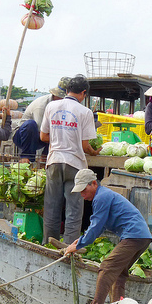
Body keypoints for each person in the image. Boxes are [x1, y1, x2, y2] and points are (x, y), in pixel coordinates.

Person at [65, 169, 152, 304]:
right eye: (80, 192)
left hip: (134, 235)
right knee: (118, 274)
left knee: (106, 268)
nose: (82, 195)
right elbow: (97, 228)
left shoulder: (101, 197)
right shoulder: (102, 196)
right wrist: (80, 241)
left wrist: (78, 245)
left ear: (94, 183)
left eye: (84, 190)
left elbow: (96, 225)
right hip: (142, 236)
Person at [40, 75, 101, 244]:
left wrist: (59, 138)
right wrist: (94, 152)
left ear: (66, 90)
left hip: (54, 161)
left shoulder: (51, 106)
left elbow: (43, 135)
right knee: (74, 209)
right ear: (83, 93)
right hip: (74, 164)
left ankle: (49, 244)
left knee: (52, 206)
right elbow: (84, 145)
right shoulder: (85, 112)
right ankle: (69, 248)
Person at [13, 77, 69, 162]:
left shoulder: (62, 107)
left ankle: (45, 158)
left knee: (56, 131)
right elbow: (42, 133)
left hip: (41, 136)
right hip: (24, 136)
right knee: (31, 125)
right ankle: (27, 158)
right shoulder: (41, 106)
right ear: (57, 96)